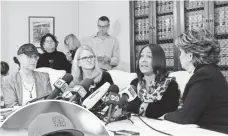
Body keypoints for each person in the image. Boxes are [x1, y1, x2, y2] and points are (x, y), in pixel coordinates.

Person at [164, 28, 228, 134]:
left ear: (190, 55)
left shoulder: (204, 76)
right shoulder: (210, 71)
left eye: (180, 52)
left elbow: (185, 118)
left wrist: (165, 116)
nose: (179, 56)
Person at [113, 44, 180, 119]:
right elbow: (130, 106)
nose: (143, 60)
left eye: (149, 56)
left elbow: (163, 111)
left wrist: (134, 107)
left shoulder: (171, 85)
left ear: (159, 59)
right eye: (141, 56)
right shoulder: (135, 83)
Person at [2, 43, 52, 108]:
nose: (34, 60)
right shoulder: (8, 80)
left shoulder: (44, 77)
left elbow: (50, 102)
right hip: (19, 117)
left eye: (35, 57)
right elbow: (11, 107)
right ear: (19, 58)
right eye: (30, 57)